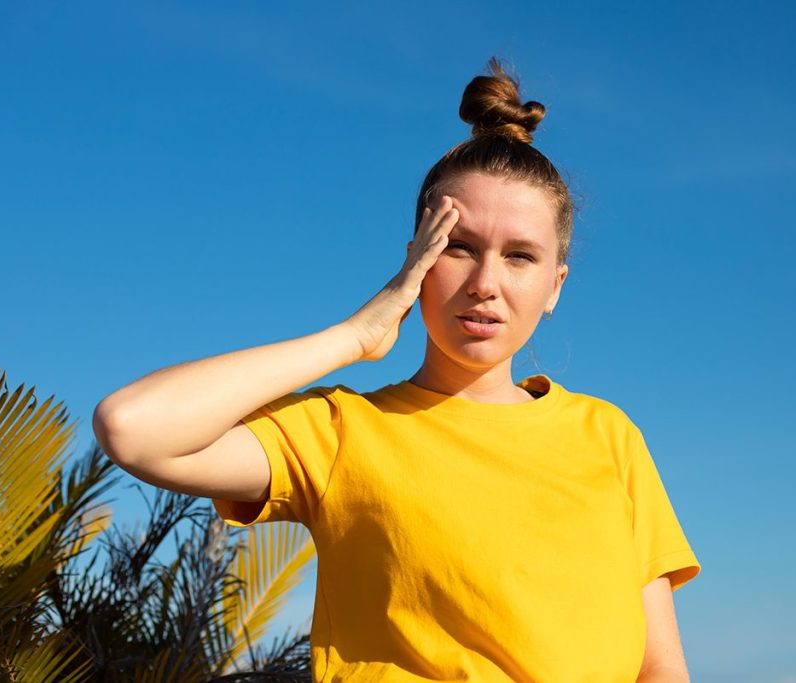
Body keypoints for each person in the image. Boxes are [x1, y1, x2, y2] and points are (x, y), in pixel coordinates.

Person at [93, 57, 701, 683]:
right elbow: (132, 426)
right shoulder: (341, 432)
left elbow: (660, 666)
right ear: (415, 259)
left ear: (555, 287)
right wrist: (352, 336)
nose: (486, 284)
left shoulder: (609, 436)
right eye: (458, 248)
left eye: (521, 257)